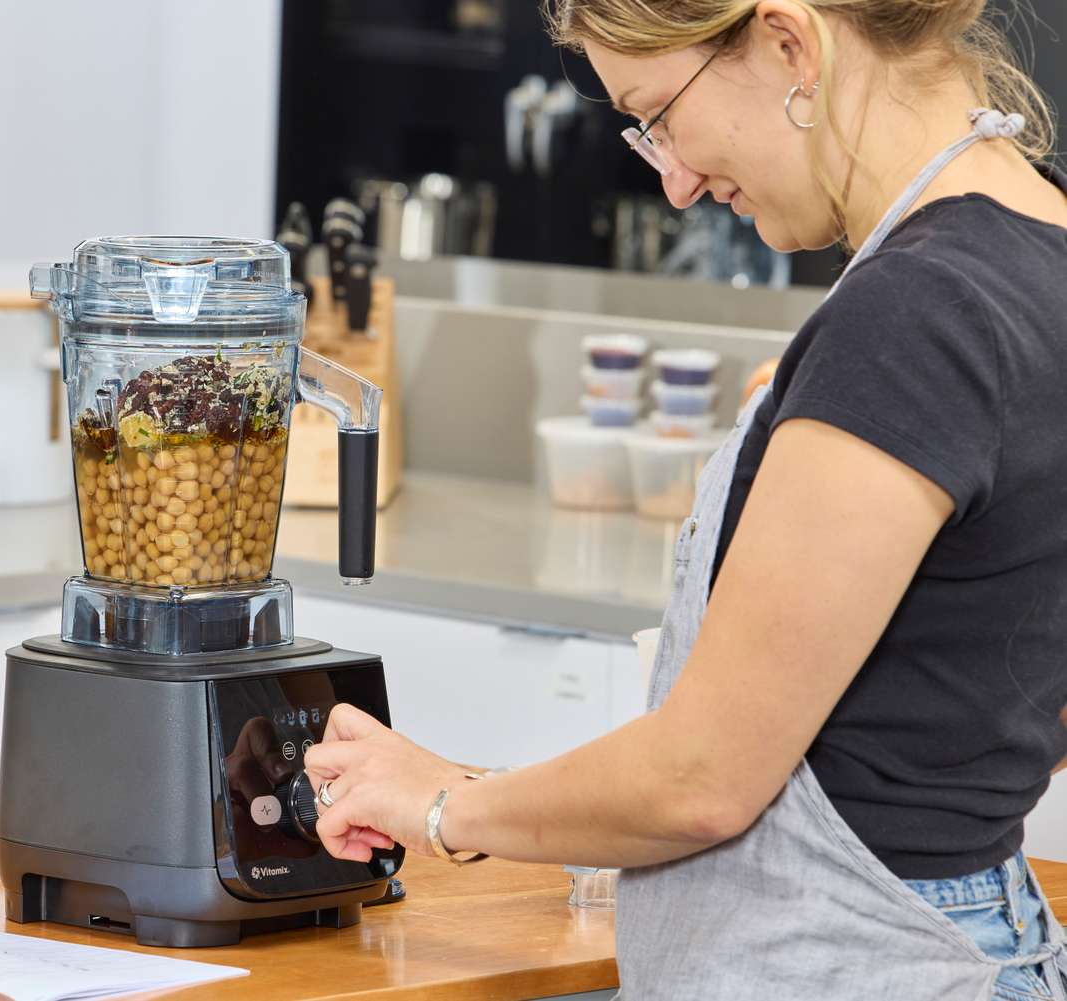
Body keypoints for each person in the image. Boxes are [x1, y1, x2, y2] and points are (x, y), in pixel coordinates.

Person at [302, 1, 1067, 996]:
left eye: (659, 113)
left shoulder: (918, 314)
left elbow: (702, 779)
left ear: (791, 45)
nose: (675, 180)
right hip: (966, 935)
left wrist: (442, 800)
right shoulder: (1038, 250)